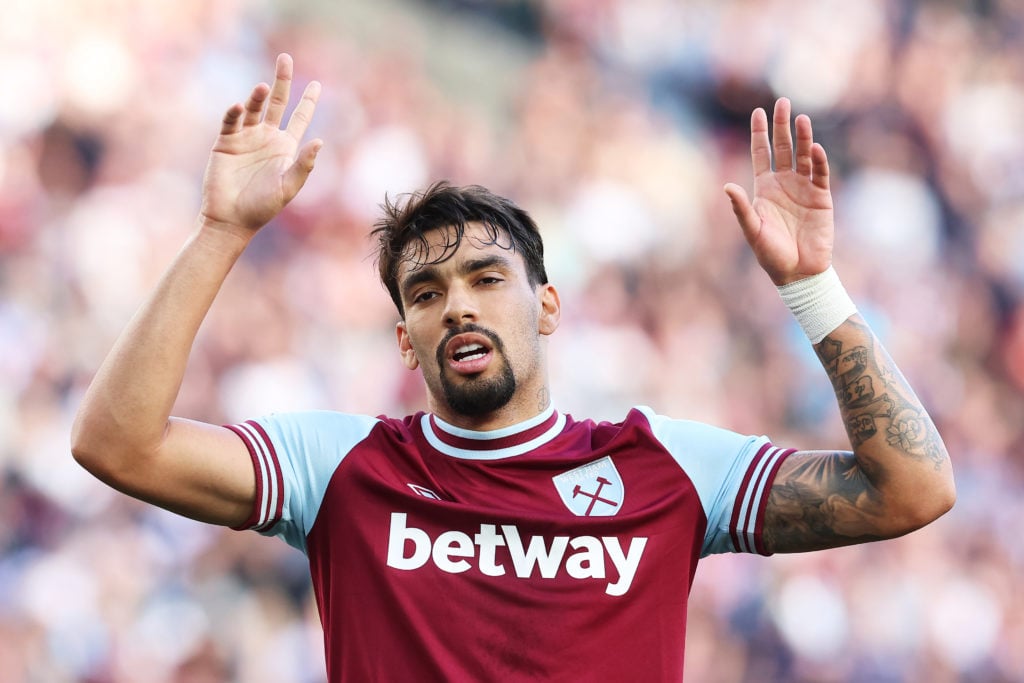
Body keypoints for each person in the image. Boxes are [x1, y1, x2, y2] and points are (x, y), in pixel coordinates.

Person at [71, 54, 955, 681]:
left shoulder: (669, 467)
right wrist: (222, 232)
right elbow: (117, 443)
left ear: (548, 305)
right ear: (403, 340)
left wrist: (810, 287)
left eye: (487, 278)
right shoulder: (339, 468)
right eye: (424, 292)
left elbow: (911, 490)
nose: (456, 303)